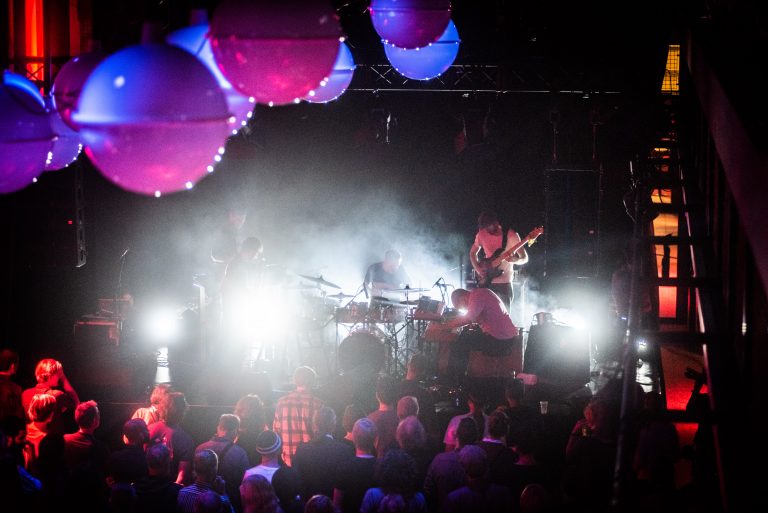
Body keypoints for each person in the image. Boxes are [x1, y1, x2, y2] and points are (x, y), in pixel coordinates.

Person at [438, 288, 519, 384]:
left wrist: (443, 327)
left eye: (461, 307)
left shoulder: (477, 296)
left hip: (500, 341)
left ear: (462, 299)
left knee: (460, 343)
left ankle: (455, 380)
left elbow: (467, 319)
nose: (465, 309)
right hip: (503, 337)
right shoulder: (481, 293)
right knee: (464, 336)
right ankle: (456, 377)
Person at [469, 211, 529, 312]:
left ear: (496, 222)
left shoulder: (511, 235)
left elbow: (525, 258)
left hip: (504, 284)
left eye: (490, 225)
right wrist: (478, 270)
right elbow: (472, 253)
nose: (488, 229)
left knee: (503, 319)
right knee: (485, 318)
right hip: (486, 283)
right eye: (485, 227)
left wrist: (515, 260)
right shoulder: (481, 234)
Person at [272, 366, 324, 466]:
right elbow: (321, 434)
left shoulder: (282, 402)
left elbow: (276, 431)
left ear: (295, 381)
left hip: (288, 459)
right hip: (311, 459)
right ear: (312, 381)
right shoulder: (318, 404)